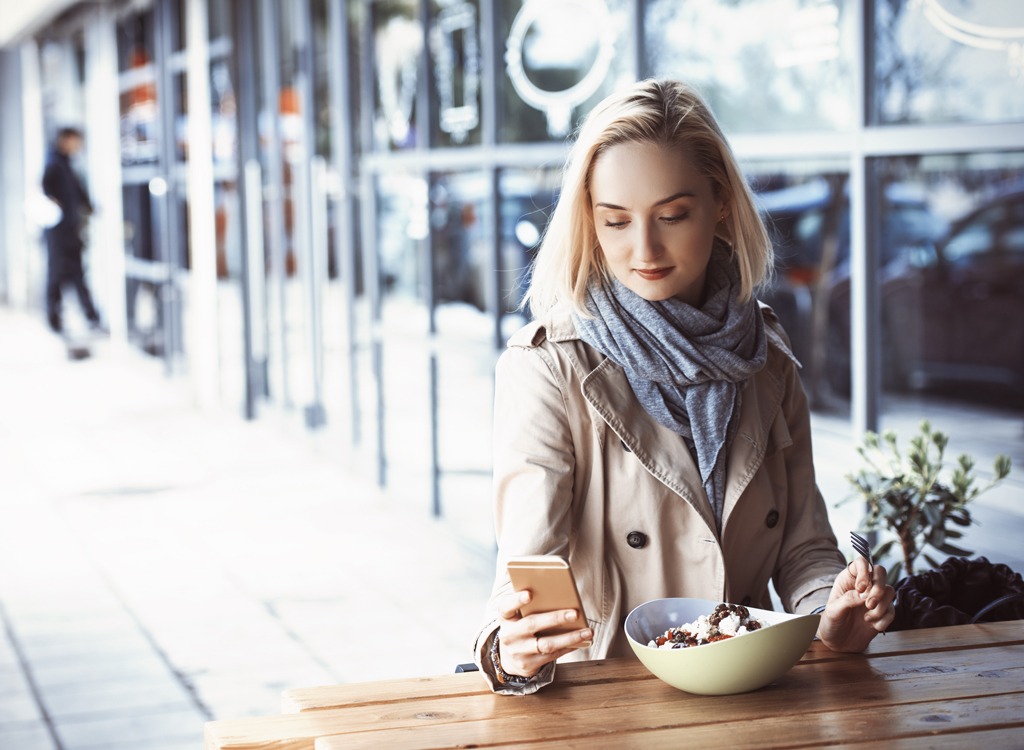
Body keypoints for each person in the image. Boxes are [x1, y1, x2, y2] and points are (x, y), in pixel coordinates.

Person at [473, 79, 896, 694]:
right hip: (613, 704)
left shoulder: (766, 356)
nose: (643, 249)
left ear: (720, 202)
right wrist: (510, 651)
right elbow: (526, 576)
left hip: (756, 695)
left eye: (672, 216)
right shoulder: (549, 366)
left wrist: (835, 610)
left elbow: (804, 549)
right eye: (615, 221)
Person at [42, 126, 103, 335]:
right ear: (65, 140)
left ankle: (90, 316)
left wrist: (89, 207)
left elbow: (77, 191)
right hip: (59, 233)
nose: (78, 146)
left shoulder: (65, 164)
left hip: (69, 231)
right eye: (76, 141)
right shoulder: (55, 164)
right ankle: (54, 318)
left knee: (77, 274)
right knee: (57, 274)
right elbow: (46, 189)